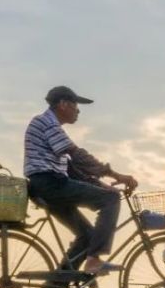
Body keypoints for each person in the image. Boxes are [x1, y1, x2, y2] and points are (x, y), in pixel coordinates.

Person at [24, 85, 138, 275]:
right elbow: (78, 156)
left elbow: (73, 169)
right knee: (110, 200)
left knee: (87, 235)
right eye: (75, 105)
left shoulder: (47, 124)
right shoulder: (48, 123)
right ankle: (93, 261)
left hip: (48, 186)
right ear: (63, 104)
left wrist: (101, 185)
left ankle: (55, 285)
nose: (78, 110)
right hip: (50, 184)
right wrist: (117, 176)